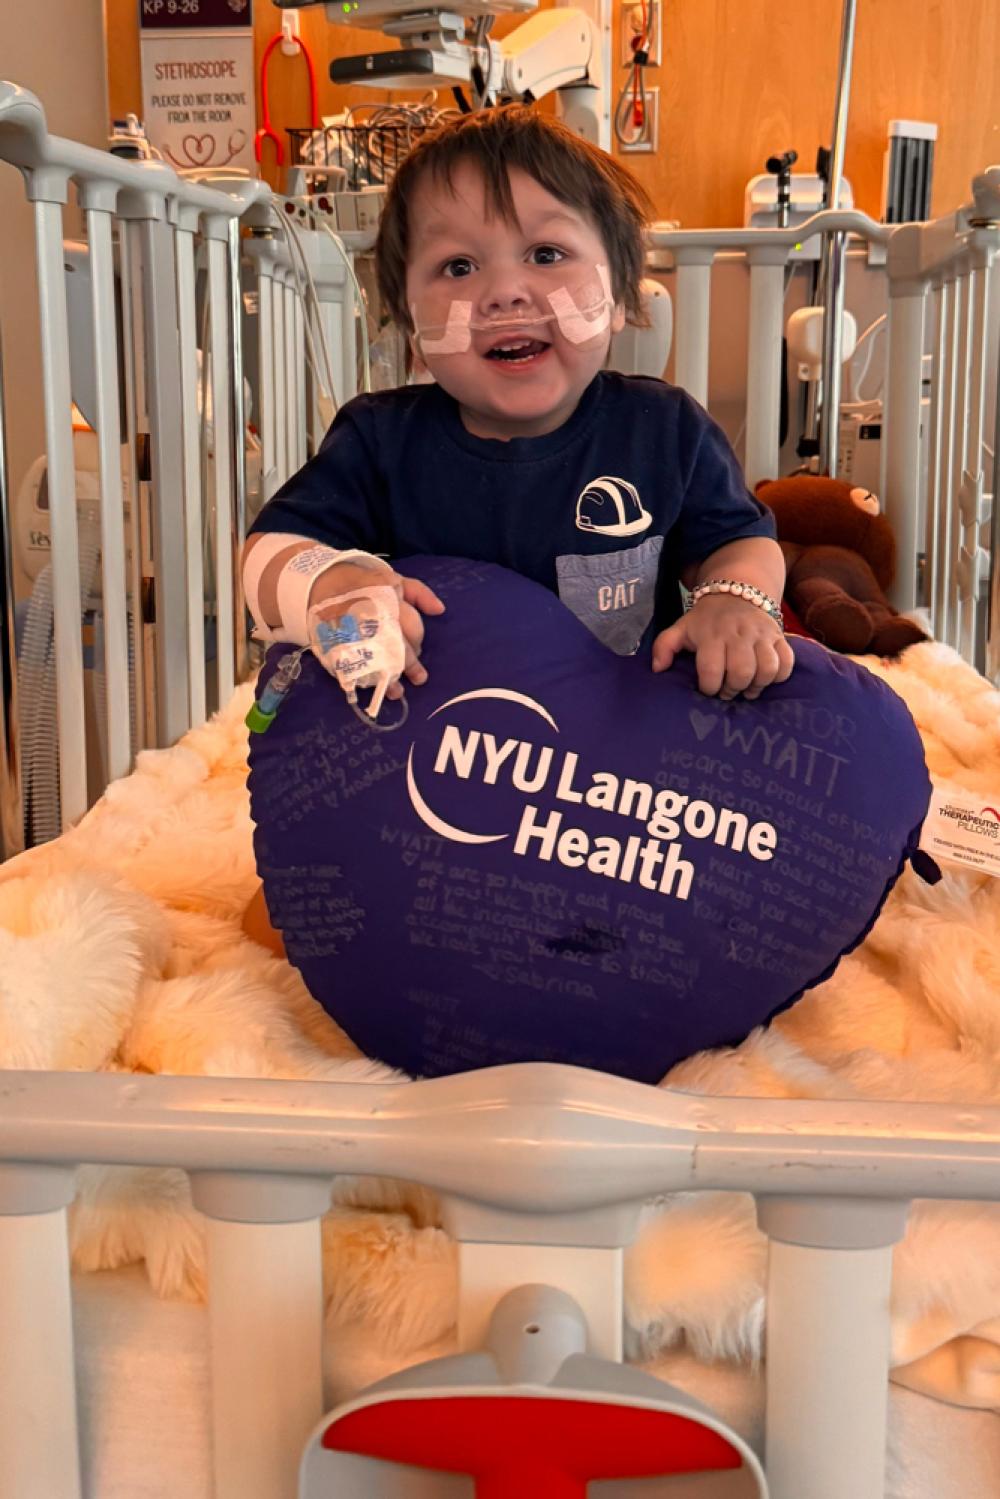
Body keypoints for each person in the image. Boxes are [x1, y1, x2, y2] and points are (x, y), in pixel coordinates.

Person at [242, 105, 793, 715]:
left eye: (547, 254)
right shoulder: (380, 442)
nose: (504, 291)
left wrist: (734, 601)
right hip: (437, 752)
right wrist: (331, 586)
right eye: (458, 266)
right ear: (410, 322)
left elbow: (741, 541)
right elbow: (268, 550)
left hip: (624, 758)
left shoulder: (665, 430)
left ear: (616, 295)